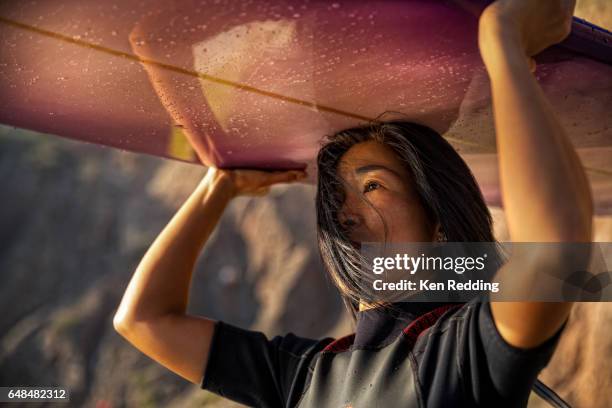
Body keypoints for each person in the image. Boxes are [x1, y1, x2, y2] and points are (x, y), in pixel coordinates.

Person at [113, 0, 593, 407]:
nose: (342, 212)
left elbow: (555, 254)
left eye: (373, 187)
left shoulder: (462, 350)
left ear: (439, 227)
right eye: (335, 197)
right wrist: (220, 186)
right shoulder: (303, 374)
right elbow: (142, 320)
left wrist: (503, 42)